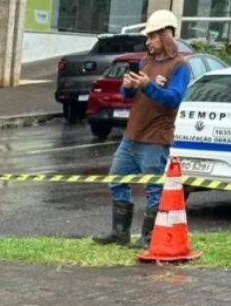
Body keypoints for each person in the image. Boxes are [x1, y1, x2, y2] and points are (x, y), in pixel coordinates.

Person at [93, 9, 190, 250]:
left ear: (167, 36)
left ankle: (148, 237)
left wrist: (147, 86)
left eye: (152, 37)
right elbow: (129, 95)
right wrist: (128, 86)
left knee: (154, 189)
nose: (148, 42)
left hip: (156, 138)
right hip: (132, 135)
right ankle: (120, 232)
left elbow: (174, 99)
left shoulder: (180, 66)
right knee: (117, 179)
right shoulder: (144, 61)